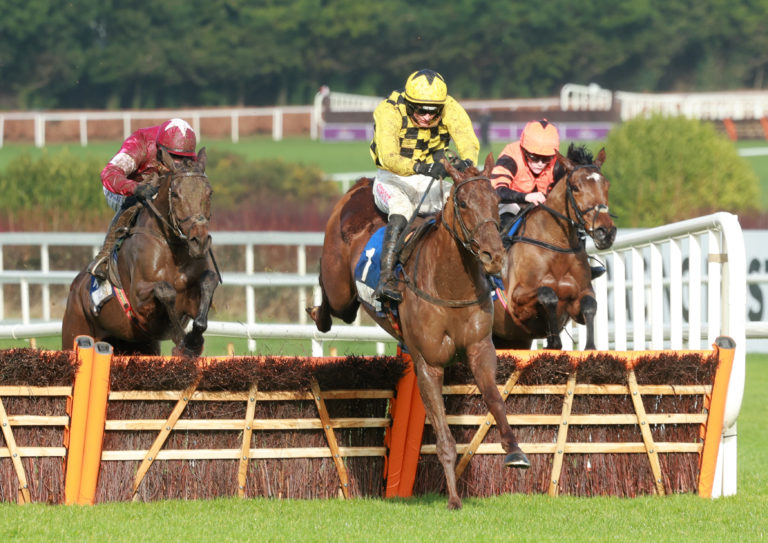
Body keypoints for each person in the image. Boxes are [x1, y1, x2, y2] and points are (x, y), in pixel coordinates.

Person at [369, 69, 479, 303]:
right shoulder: (388, 110)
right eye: (421, 110)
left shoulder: (450, 106)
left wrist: (467, 162)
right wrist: (422, 167)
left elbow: (468, 140)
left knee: (465, 203)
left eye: (433, 111)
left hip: (429, 176)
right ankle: (386, 279)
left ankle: (483, 270)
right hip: (392, 177)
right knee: (402, 208)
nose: (427, 117)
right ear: (409, 104)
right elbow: (388, 156)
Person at [490, 119, 604, 278]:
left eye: (545, 159)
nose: (539, 163)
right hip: (511, 203)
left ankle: (581, 262)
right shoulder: (510, 157)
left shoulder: (557, 164)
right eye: (533, 157)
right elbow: (496, 190)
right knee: (510, 210)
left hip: (542, 209)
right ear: (523, 149)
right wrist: (525, 197)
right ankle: (498, 263)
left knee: (573, 214)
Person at [88, 118, 198, 280]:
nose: (178, 163)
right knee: (140, 201)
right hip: (121, 189)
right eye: (173, 157)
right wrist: (135, 188)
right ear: (160, 150)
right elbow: (108, 174)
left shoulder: (189, 155)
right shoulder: (140, 144)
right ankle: (104, 256)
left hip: (158, 189)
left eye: (183, 159)